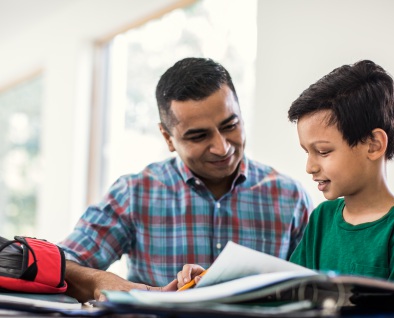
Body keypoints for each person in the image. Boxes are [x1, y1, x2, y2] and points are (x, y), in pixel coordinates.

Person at [59, 57, 312, 301]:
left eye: (229, 126)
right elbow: (60, 264)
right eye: (199, 136)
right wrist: (98, 281)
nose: (222, 148)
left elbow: (317, 288)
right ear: (168, 138)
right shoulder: (134, 193)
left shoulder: (290, 197)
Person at [287, 60, 394, 281]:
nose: (310, 167)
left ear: (373, 145)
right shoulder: (322, 218)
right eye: (306, 152)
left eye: (323, 151)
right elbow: (287, 293)